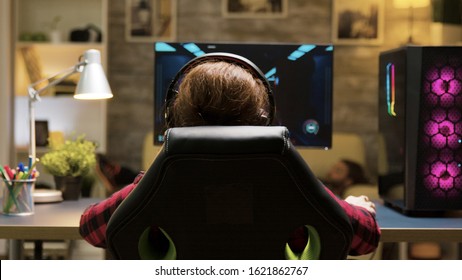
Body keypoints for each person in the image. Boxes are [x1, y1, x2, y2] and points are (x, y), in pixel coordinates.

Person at [79, 58, 380, 258]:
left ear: (174, 117)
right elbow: (365, 239)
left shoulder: (159, 182)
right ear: (264, 119)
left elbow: (91, 227)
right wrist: (352, 208)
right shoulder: (290, 183)